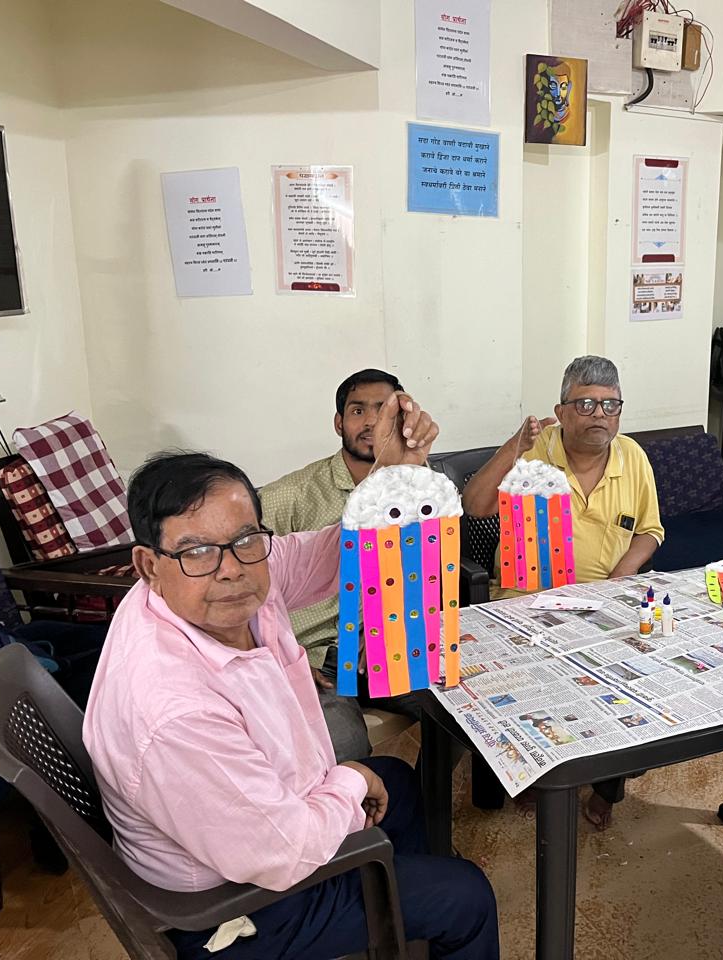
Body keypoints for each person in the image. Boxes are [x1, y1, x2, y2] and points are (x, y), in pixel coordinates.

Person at [82, 395, 500, 960]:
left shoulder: (231, 579)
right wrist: (350, 781)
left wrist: (395, 473)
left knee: (399, 784)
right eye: (197, 550)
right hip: (241, 903)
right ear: (147, 565)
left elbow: (345, 552)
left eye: (246, 540)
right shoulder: (174, 708)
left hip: (264, 813)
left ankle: (392, 918)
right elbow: (284, 850)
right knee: (466, 896)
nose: (229, 568)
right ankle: (400, 906)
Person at [463, 355, 665, 830]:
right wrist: (516, 444)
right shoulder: (533, 453)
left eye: (610, 405)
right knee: (534, 693)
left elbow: (651, 532)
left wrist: (621, 577)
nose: (600, 414)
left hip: (604, 602)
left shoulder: (633, 456)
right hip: (526, 604)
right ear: (562, 409)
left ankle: (606, 787)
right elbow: (475, 506)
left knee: (634, 690)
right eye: (587, 403)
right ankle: (537, 776)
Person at [261, 368, 406, 762]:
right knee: (342, 746)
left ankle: (428, 801)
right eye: (359, 411)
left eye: (384, 410)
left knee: (464, 704)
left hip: (383, 639)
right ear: (339, 422)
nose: (372, 421)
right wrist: (276, 657)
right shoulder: (288, 496)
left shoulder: (413, 483)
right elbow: (246, 584)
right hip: (315, 654)